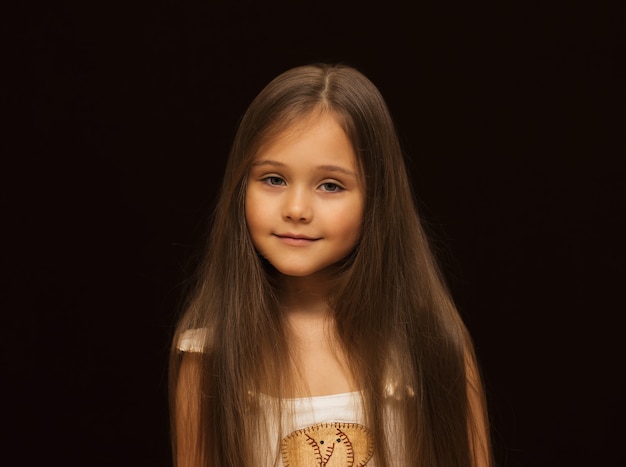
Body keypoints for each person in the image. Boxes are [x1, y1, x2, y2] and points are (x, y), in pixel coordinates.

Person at [169, 63, 492, 467]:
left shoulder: (432, 344)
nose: (297, 209)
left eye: (330, 185)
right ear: (240, 187)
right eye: (273, 179)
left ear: (377, 199)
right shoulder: (211, 357)